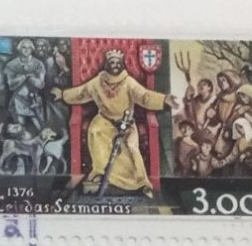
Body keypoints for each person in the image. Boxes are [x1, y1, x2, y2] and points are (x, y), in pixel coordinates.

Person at [52, 49, 177, 196]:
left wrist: (163, 100)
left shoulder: (129, 82)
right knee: (95, 132)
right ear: (107, 64)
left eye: (118, 62)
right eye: (112, 62)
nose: (115, 65)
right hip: (104, 120)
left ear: (122, 64)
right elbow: (81, 92)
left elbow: (144, 96)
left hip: (125, 122)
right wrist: (62, 94)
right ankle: (100, 172)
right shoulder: (97, 82)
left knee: (131, 145)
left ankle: (140, 182)